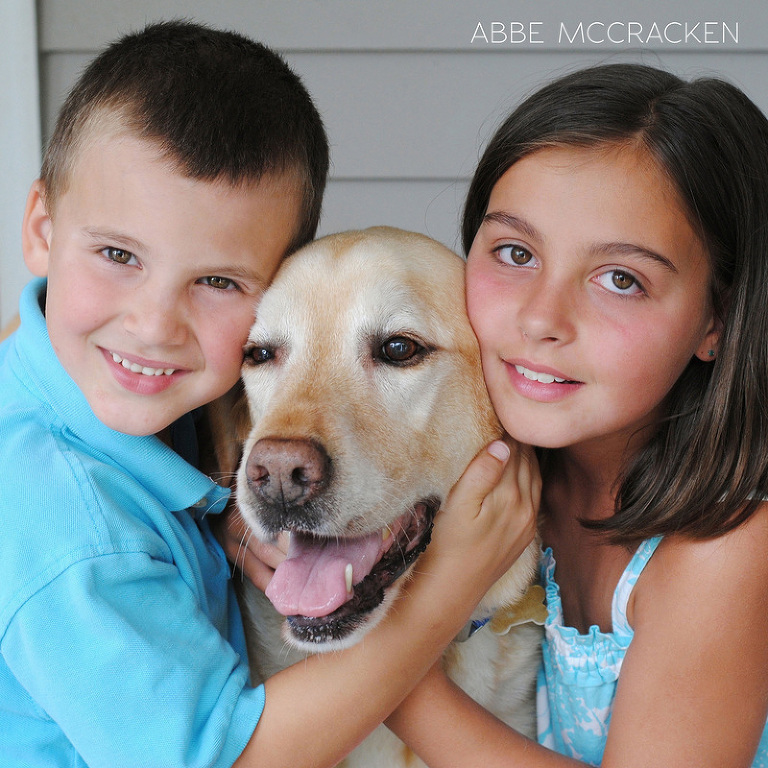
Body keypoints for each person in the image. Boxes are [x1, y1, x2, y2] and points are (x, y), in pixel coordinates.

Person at [0, 20, 539, 768]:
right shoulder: (69, 518)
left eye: (397, 350)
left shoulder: (157, 396)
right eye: (268, 352)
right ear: (42, 228)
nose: (154, 326)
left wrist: (220, 505)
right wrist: (447, 588)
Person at [384, 63, 768, 767]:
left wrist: (381, 665)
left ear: (717, 318)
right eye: (516, 252)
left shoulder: (729, 546)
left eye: (621, 279)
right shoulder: (497, 481)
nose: (541, 318)